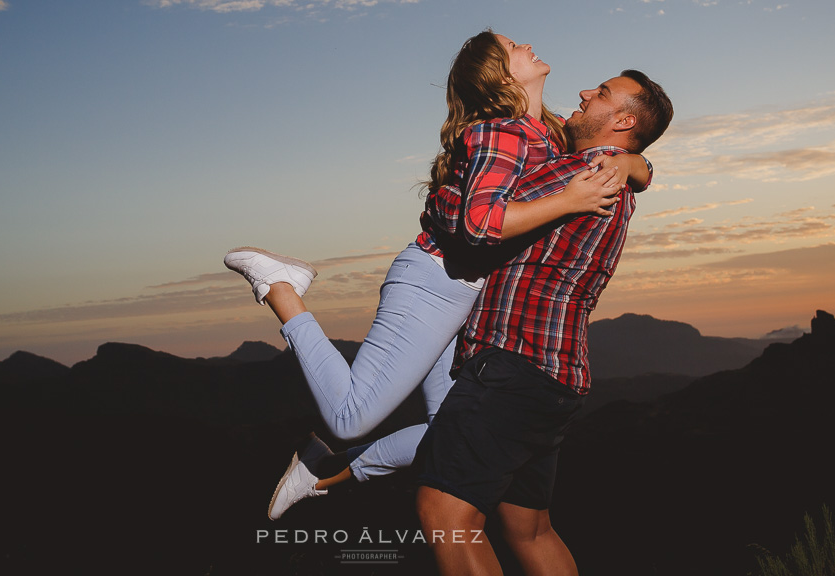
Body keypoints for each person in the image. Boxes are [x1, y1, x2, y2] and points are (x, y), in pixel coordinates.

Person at [223, 31, 652, 520]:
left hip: (466, 295)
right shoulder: (502, 131)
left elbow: (628, 165)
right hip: (434, 280)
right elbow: (478, 222)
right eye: (513, 46)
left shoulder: (547, 133)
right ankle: (281, 287)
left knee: (451, 430)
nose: (527, 44)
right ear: (502, 74)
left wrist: (632, 161)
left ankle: (332, 469)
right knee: (348, 418)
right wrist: (569, 200)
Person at [415, 69, 673, 576]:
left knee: (444, 515)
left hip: (514, 364)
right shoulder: (610, 171)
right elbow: (640, 168)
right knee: (529, 529)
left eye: (600, 93)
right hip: (555, 376)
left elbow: (475, 217)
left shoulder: (584, 172)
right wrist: (637, 162)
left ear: (622, 120)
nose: (583, 92)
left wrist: (440, 195)